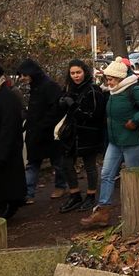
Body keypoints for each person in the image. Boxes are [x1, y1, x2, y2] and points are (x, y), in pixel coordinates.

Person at [80, 57, 139, 227]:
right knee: (107, 174)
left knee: (132, 176)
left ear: (120, 78)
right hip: (115, 141)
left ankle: (135, 211)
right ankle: (103, 211)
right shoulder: (114, 91)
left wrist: (136, 120)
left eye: (110, 79)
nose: (108, 82)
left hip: (132, 142)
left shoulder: (133, 90)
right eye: (107, 79)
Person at [57, 59, 106, 213]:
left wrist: (73, 106)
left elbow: (95, 115)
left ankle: (91, 195)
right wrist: (62, 103)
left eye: (78, 72)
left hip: (88, 133)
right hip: (71, 133)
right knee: (66, 163)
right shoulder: (69, 88)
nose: (76, 76)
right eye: (72, 73)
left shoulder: (93, 90)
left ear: (85, 72)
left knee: (89, 165)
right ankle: (75, 194)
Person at [17, 59, 67, 204]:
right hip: (35, 131)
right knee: (33, 163)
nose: (22, 79)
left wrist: (43, 124)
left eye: (24, 75)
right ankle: (28, 193)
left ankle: (60, 186)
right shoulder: (35, 86)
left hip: (49, 132)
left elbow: (56, 109)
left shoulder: (49, 86)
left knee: (57, 161)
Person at [0, 63, 26, 219]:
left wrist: (0, 154)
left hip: (4, 150)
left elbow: (8, 127)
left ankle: (5, 208)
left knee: (5, 183)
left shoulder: (6, 97)